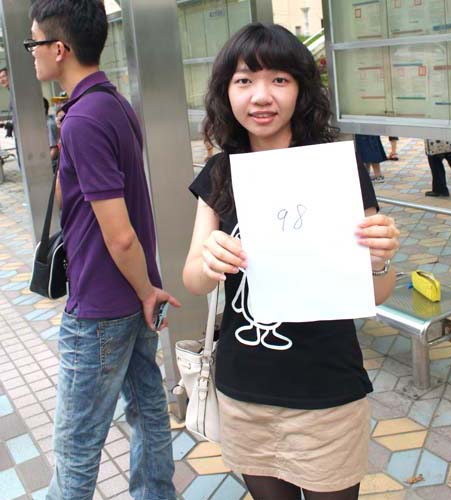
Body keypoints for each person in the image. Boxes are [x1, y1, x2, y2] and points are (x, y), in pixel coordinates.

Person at [183, 23, 399, 500]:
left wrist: (380, 258)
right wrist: (210, 258)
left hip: (327, 391)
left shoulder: (336, 170)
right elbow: (193, 280)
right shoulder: (220, 174)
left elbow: (378, 293)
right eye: (244, 80)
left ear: (301, 89)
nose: (261, 96)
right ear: (226, 92)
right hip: (245, 392)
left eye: (279, 79)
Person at [27, 1, 180, 499]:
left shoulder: (84, 119)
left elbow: (119, 235)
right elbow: (79, 201)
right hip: (135, 293)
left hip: (100, 305)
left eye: (34, 43)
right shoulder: (111, 103)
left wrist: (146, 292)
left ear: (59, 48)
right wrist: (147, 290)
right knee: (148, 407)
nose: (31, 53)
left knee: (76, 443)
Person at [43, 97, 59, 171]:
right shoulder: (43, 123)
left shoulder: (49, 124)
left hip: (51, 165)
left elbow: (54, 149)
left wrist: (44, 166)